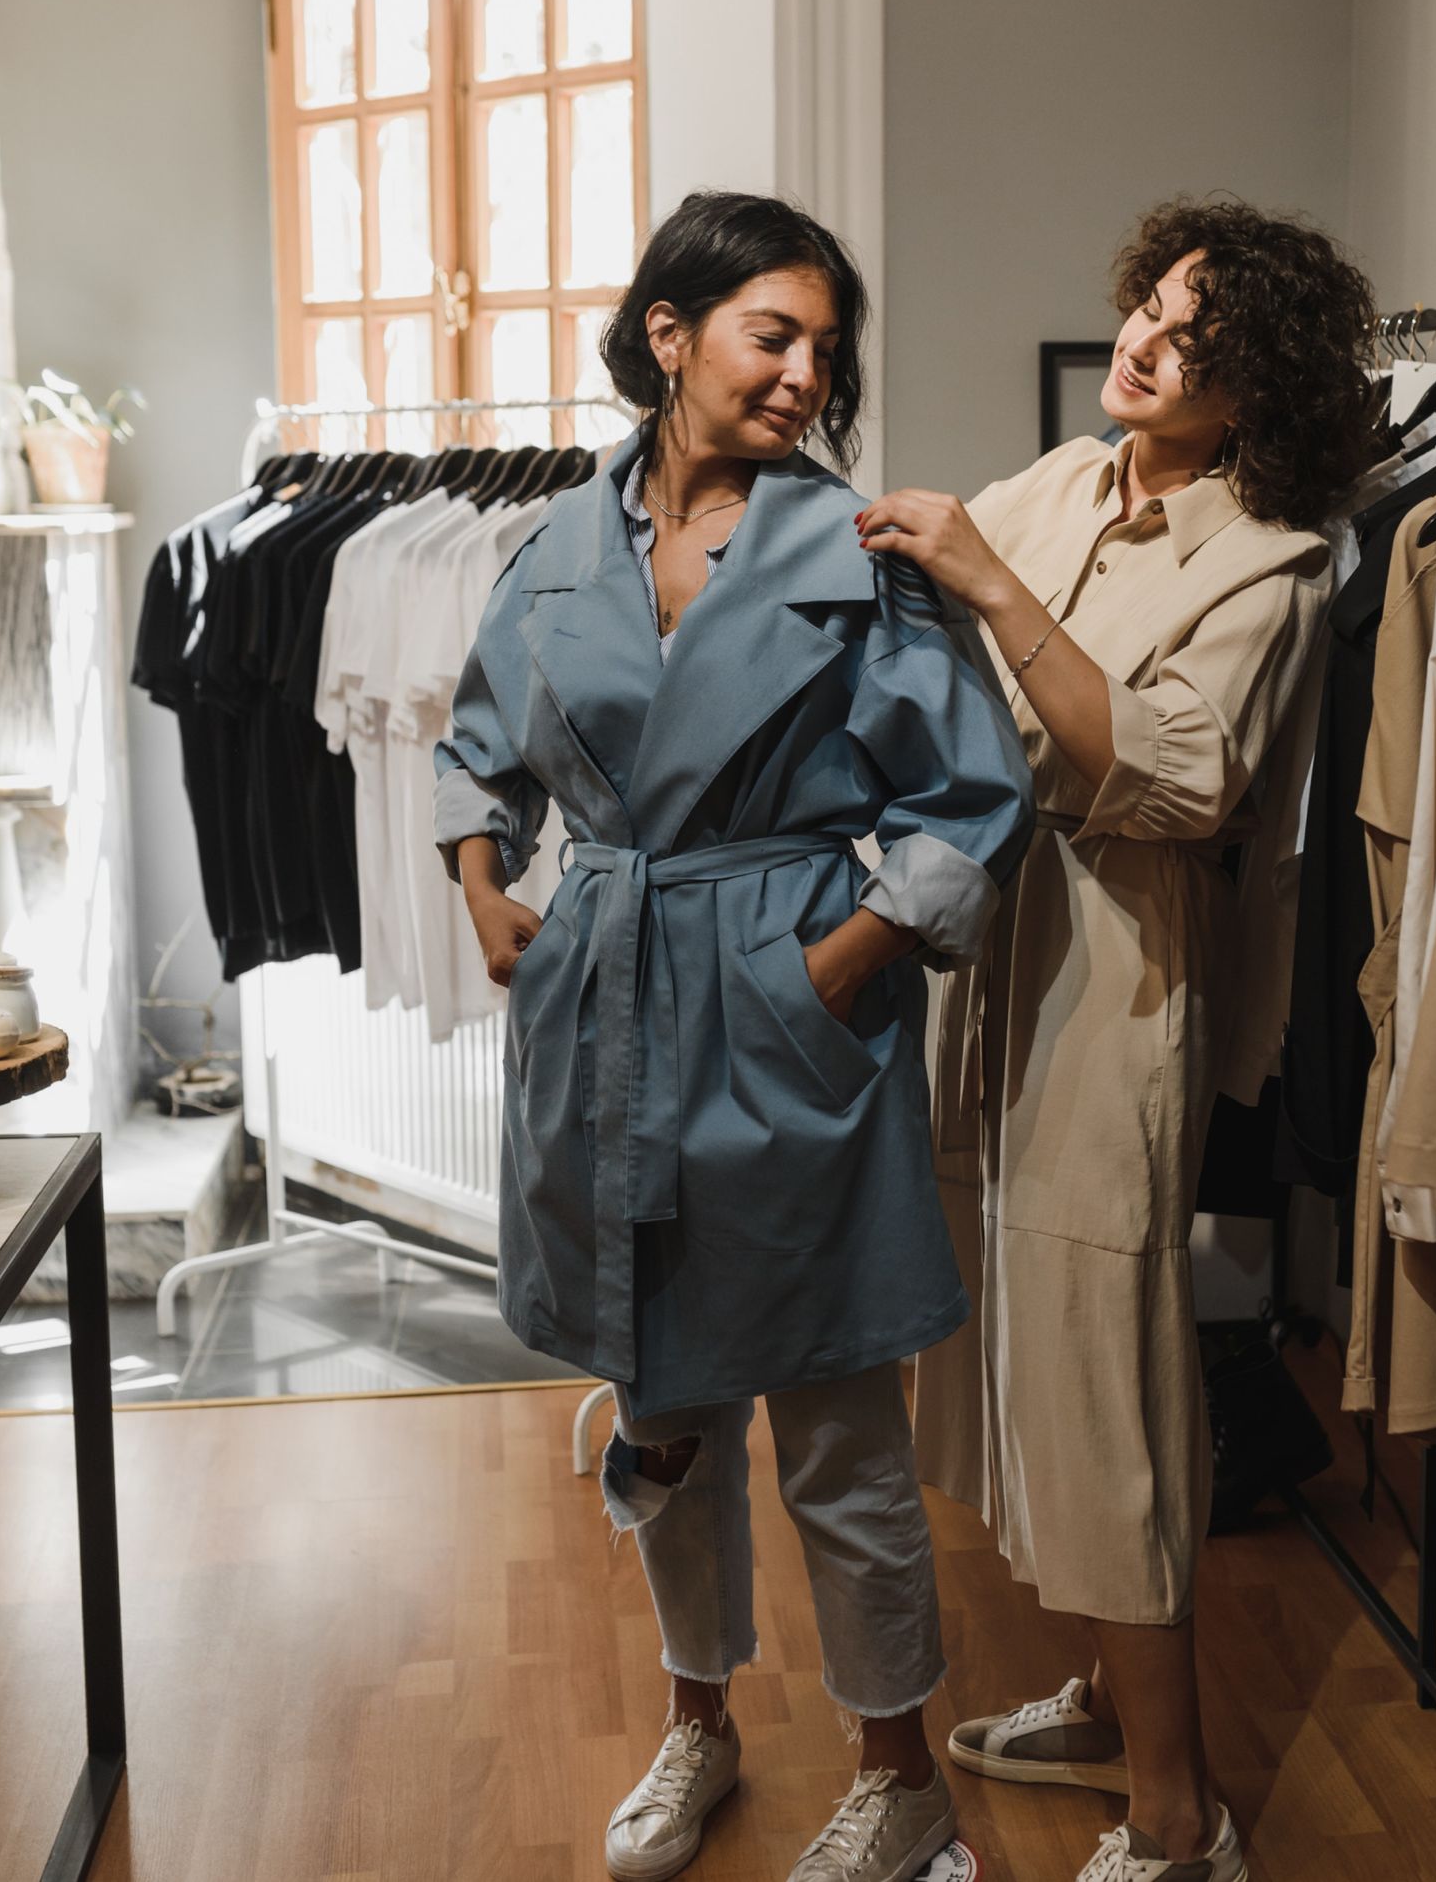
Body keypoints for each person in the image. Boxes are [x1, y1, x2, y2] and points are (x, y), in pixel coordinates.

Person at [433, 189, 1035, 1882]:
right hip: (607, 1004)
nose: (802, 373)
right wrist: (489, 891)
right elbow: (475, 743)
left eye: (823, 348)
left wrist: (835, 961)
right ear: (669, 333)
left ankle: (900, 1771)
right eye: (773, 333)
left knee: (841, 1427)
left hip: (783, 1004)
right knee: (664, 1396)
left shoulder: (851, 554)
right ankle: (696, 1728)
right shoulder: (554, 543)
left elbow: (971, 802)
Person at [859, 200, 1375, 1882]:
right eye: (1149, 305)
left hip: (1118, 990)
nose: (1145, 341)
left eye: (1195, 338)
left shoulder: (1276, 563)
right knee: (1013, 1352)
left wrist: (988, 584)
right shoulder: (1074, 483)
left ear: (1258, 394)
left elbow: (1174, 772)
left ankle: (1179, 1814)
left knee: (1110, 1389)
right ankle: (1098, 1687)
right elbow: (918, 609)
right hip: (991, 967)